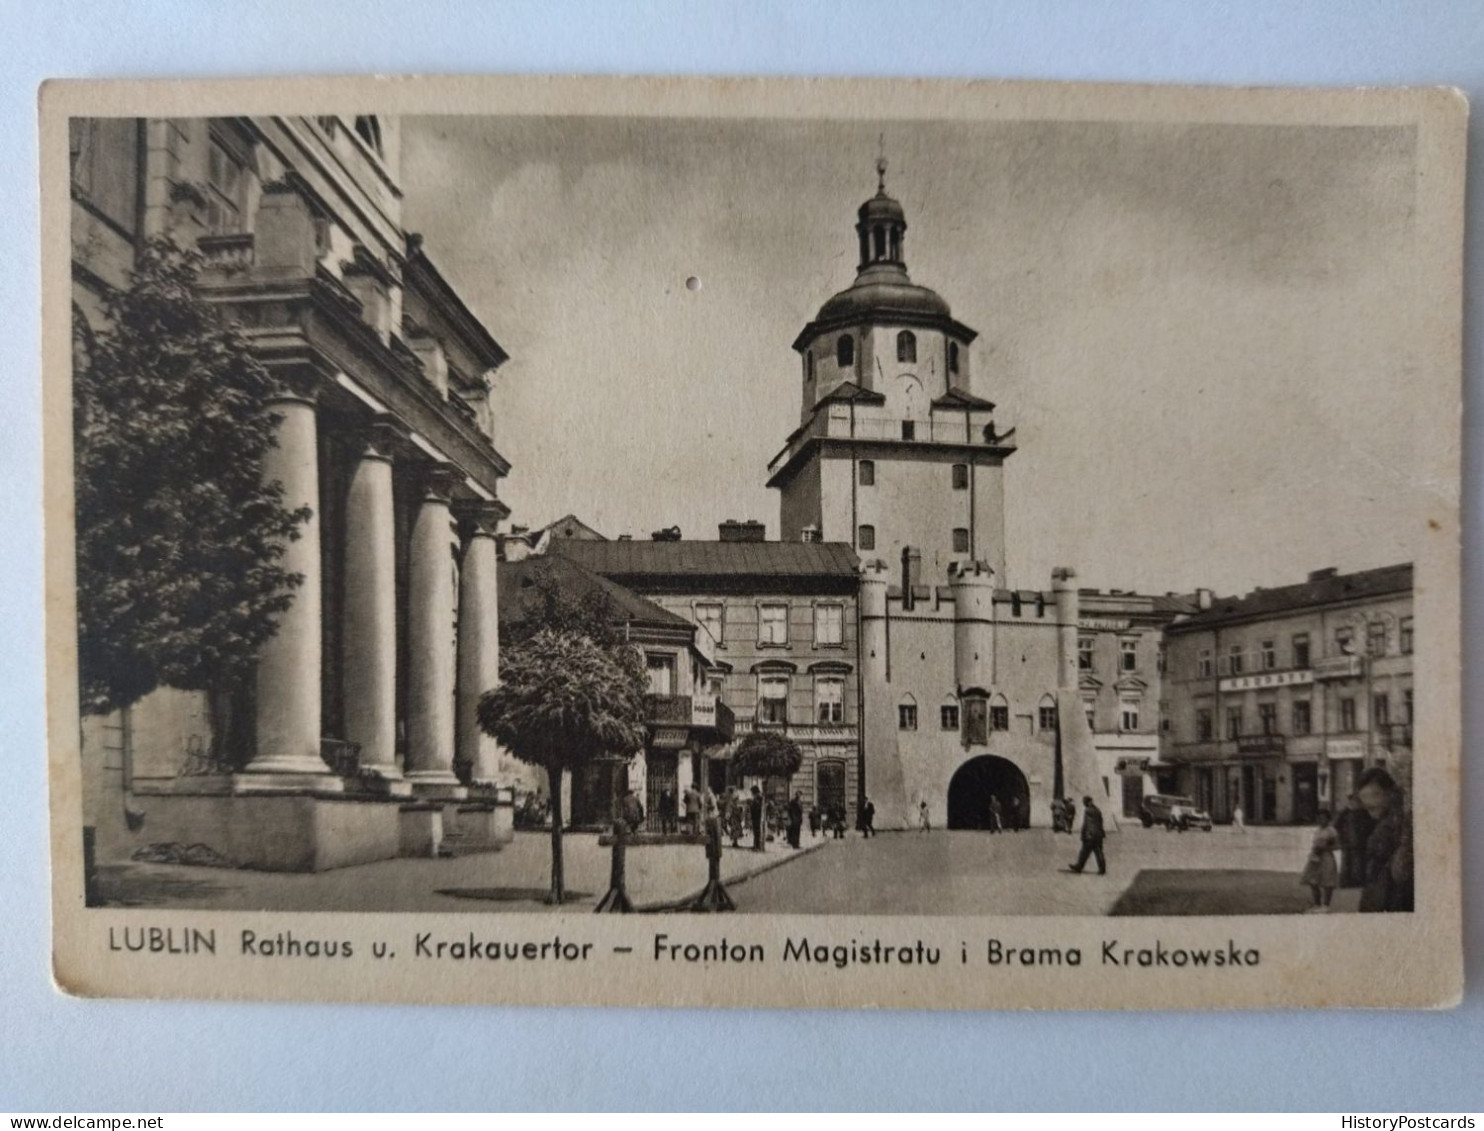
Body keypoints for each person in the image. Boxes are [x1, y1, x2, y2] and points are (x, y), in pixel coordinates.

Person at [1355, 767, 1414, 913]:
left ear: (1390, 793)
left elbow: (1399, 871)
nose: (1370, 811)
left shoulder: (1396, 823)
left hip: (1392, 899)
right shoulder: (1384, 822)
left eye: (1376, 794)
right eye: (1368, 808)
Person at [1299, 808, 1339, 912]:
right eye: (1319, 818)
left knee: (1327, 881)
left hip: (1326, 857)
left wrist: (1324, 848)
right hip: (1316, 857)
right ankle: (1317, 904)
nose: (1321, 820)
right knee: (1313, 880)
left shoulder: (1331, 831)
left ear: (1328, 819)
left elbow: (1337, 846)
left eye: (1323, 818)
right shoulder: (1317, 830)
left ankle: (1326, 905)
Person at [1334, 792, 1375, 889]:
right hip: (1348, 842)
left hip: (1360, 842)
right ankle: (1346, 882)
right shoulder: (1344, 813)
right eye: (1352, 800)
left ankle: (1357, 881)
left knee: (1359, 862)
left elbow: (1371, 826)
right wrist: (1341, 837)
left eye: (1356, 800)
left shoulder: (1364, 813)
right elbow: (1336, 826)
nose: (1354, 802)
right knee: (1347, 862)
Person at [1069, 795, 1106, 875]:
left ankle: (1079, 867)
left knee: (1084, 852)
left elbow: (1086, 824)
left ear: (1089, 802)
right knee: (1099, 852)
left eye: (1085, 802)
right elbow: (1100, 822)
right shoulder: (1097, 810)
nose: (1084, 804)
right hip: (1098, 835)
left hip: (1090, 835)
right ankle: (1102, 869)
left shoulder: (1088, 810)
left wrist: (1083, 834)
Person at [748, 785, 765, 852]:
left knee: (757, 832)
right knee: (755, 832)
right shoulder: (757, 797)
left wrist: (752, 804)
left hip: (757, 817)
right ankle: (755, 845)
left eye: (752, 791)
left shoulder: (758, 797)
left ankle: (757, 846)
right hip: (755, 817)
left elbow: (757, 807)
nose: (751, 793)